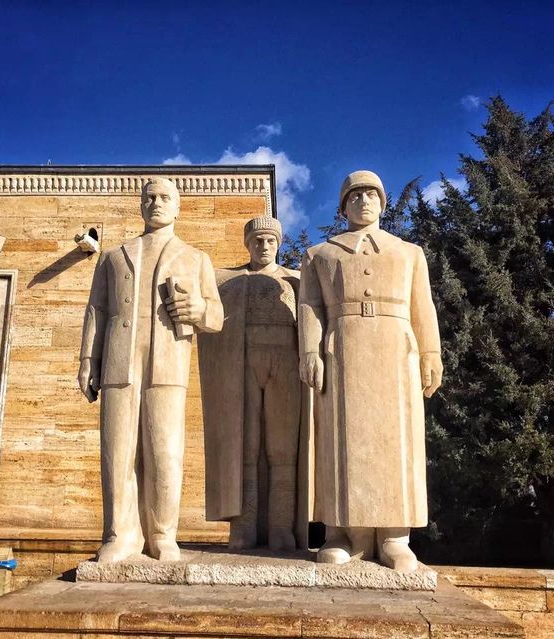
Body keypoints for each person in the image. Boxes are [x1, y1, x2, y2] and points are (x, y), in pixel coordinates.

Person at [298, 170, 443, 571]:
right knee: (340, 440)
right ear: (342, 206)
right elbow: (309, 306)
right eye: (355, 195)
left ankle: (395, 536)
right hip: (341, 348)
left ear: (383, 203)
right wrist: (309, 350)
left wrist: (431, 352)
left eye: (371, 194)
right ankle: (344, 533)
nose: (364, 201)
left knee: (397, 441)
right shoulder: (319, 254)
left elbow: (423, 307)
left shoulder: (408, 252)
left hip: (396, 350)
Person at [78, 177, 223, 563]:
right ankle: (119, 534)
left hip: (167, 362)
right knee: (118, 449)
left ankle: (162, 533)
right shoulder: (113, 256)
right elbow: (97, 310)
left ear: (177, 208)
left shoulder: (196, 258)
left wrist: (199, 311)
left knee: (165, 450)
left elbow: (217, 315)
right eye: (150, 198)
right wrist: (87, 361)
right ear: (141, 206)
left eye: (165, 198)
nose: (156, 203)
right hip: (118, 361)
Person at [198, 216, 310, 551]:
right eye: (257, 240)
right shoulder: (228, 281)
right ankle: (243, 527)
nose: (263, 246)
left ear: (279, 244)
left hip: (286, 364)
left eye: (270, 241)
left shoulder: (297, 281)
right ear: (247, 244)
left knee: (282, 450)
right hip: (243, 363)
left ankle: (281, 527)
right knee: (245, 447)